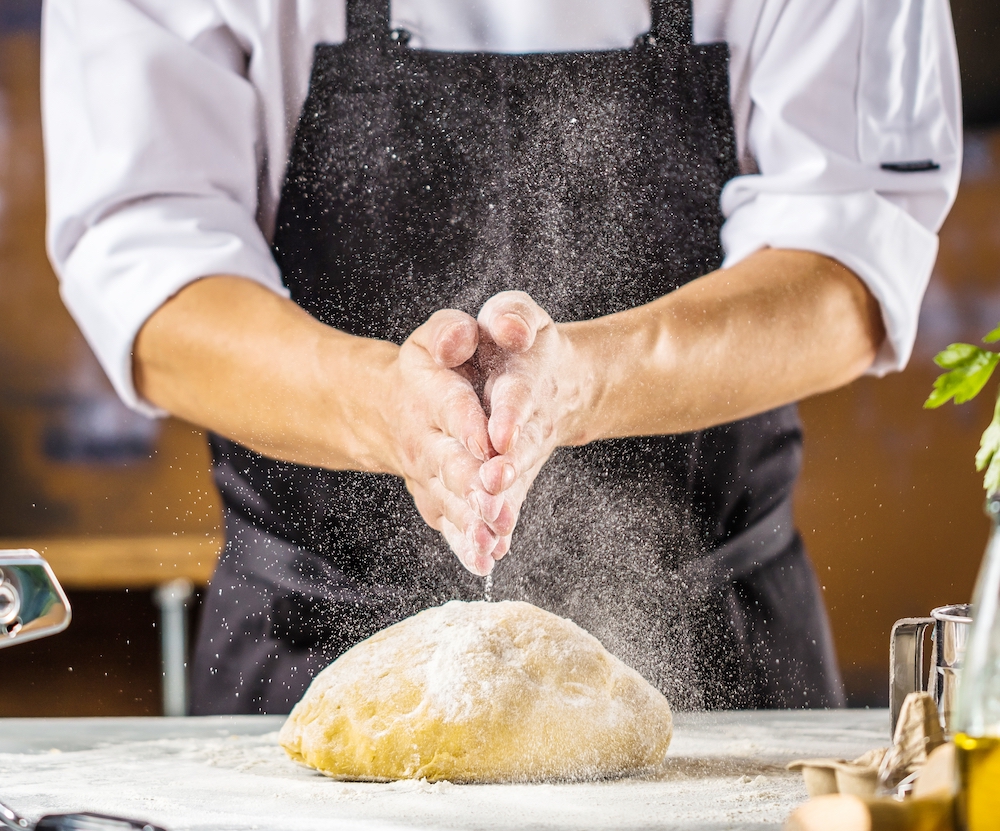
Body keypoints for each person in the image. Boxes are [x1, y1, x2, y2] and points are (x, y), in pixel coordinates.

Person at [42, 0, 961, 713]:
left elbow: (849, 256)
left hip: (718, 659)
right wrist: (381, 407)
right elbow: (147, 255)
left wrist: (584, 384)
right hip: (304, 661)